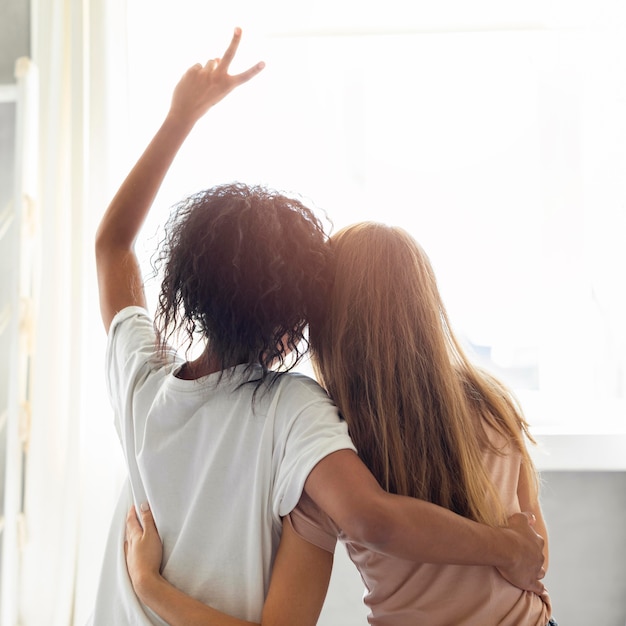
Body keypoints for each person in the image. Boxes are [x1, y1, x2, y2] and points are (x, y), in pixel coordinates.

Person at [93, 28, 546, 626]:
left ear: (186, 285)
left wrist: (182, 116)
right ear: (292, 326)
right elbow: (375, 519)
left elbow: (112, 244)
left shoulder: (140, 382)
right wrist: (508, 548)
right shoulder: (295, 409)